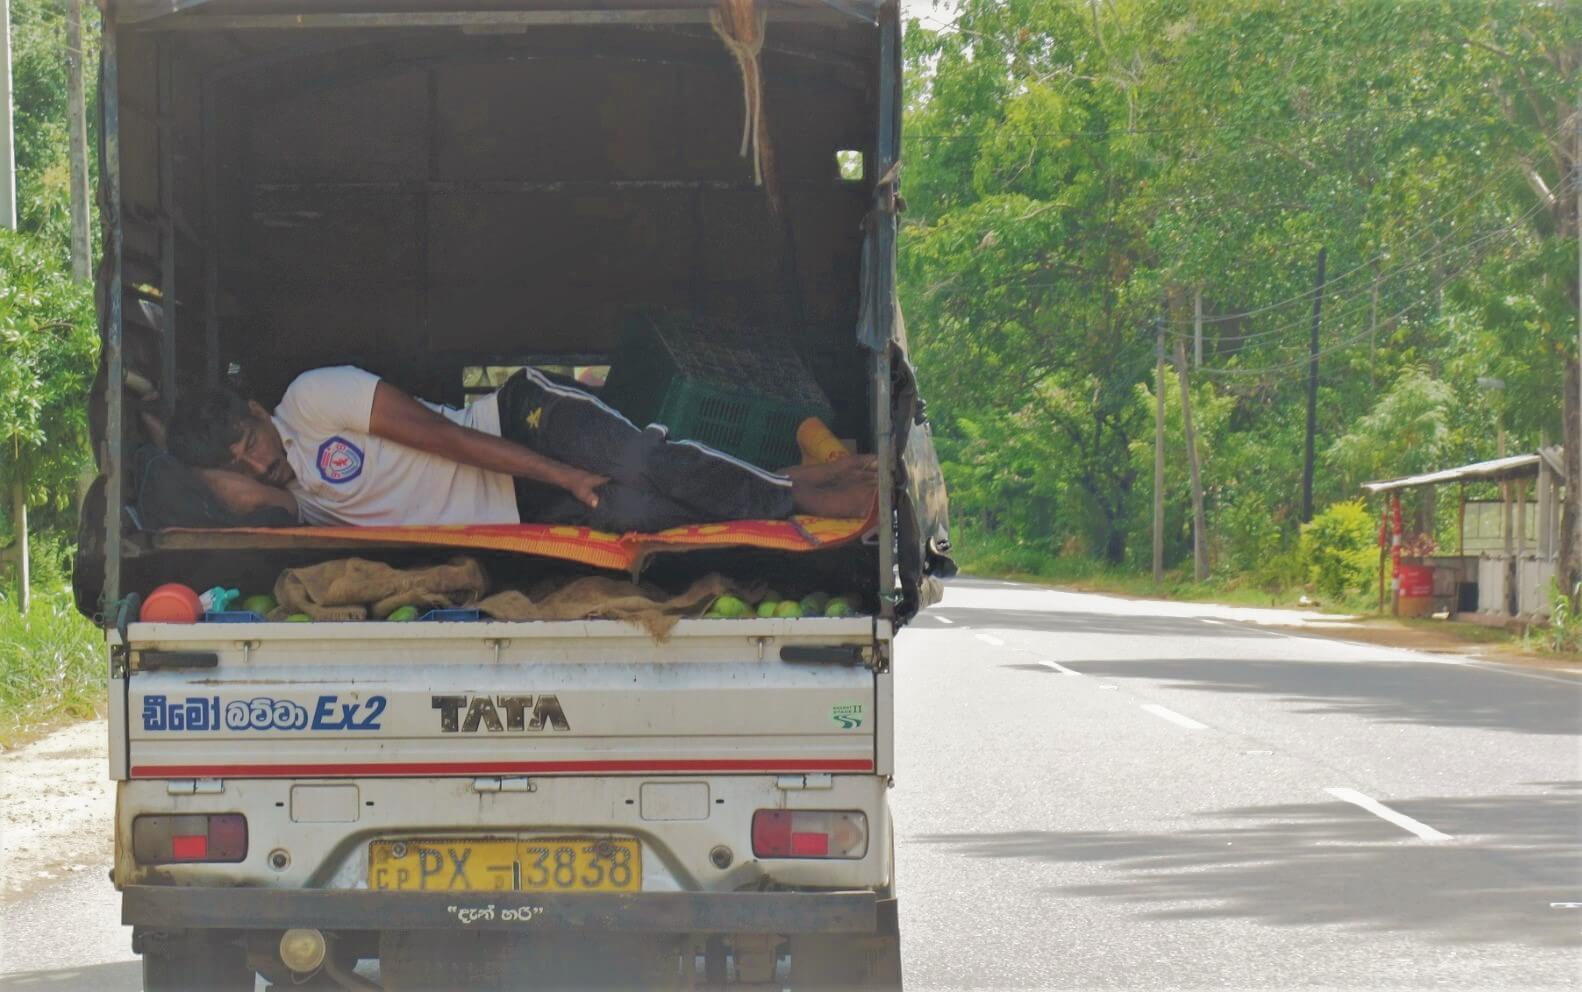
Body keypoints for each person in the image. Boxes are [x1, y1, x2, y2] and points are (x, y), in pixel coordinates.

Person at [165, 366, 876, 532]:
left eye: (250, 441)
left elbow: (447, 438)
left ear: (259, 411)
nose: (256, 463)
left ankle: (805, 492)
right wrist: (226, 474)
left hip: (518, 421)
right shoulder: (298, 504)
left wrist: (561, 471)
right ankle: (800, 479)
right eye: (236, 465)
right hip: (517, 504)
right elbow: (244, 501)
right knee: (645, 511)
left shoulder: (314, 399)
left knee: (638, 461)